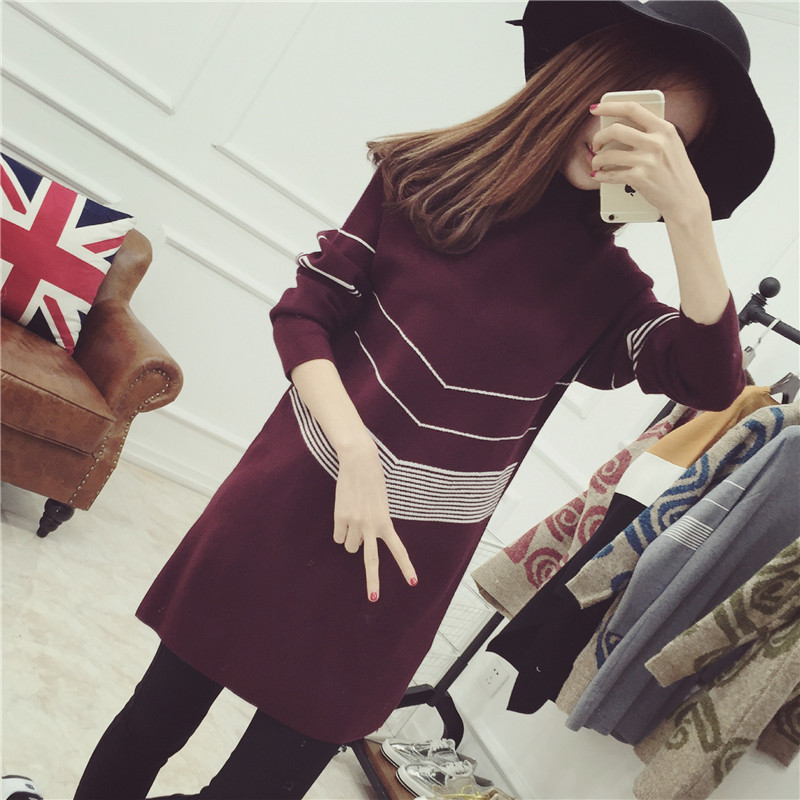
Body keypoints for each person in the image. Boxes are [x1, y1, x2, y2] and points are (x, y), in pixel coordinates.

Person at [72, 2, 774, 798]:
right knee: (150, 725)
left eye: (672, 143)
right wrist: (356, 451)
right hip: (284, 510)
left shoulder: (607, 291)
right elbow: (305, 313)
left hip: (392, 582)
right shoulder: (423, 178)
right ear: (587, 82)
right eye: (640, 108)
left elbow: (710, 380)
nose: (639, 143)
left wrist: (690, 220)